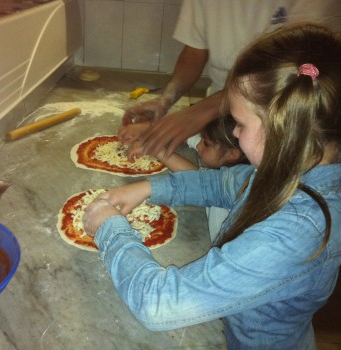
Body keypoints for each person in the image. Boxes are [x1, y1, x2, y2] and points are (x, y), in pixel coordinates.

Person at [83, 22, 341, 349]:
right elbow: (219, 184)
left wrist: (110, 228)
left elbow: (159, 304)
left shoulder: (297, 234)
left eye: (241, 124)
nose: (233, 134)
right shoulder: (292, 169)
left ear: (282, 131)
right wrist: (147, 188)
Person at [119, 0, 341, 160]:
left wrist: (202, 111)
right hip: (227, 121)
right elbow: (195, 52)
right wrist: (165, 102)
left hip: (279, 118)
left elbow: (306, 67)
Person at [123, 116, 247, 242]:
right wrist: (151, 129)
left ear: (232, 154)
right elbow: (188, 135)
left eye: (206, 143)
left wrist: (157, 148)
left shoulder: (237, 193)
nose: (199, 145)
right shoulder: (229, 162)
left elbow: (195, 180)